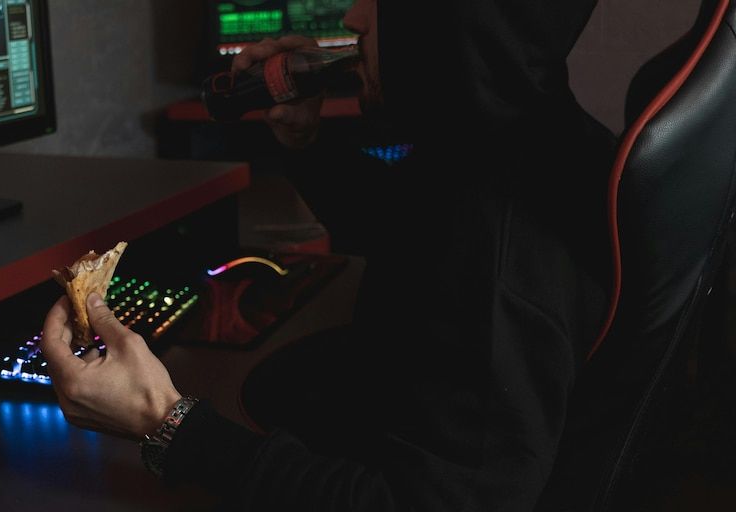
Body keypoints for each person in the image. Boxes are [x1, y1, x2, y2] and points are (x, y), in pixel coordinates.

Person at [41, 0, 618, 510]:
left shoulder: (499, 254)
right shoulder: (519, 143)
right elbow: (407, 230)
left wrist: (165, 422)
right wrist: (304, 139)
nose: (352, 17)